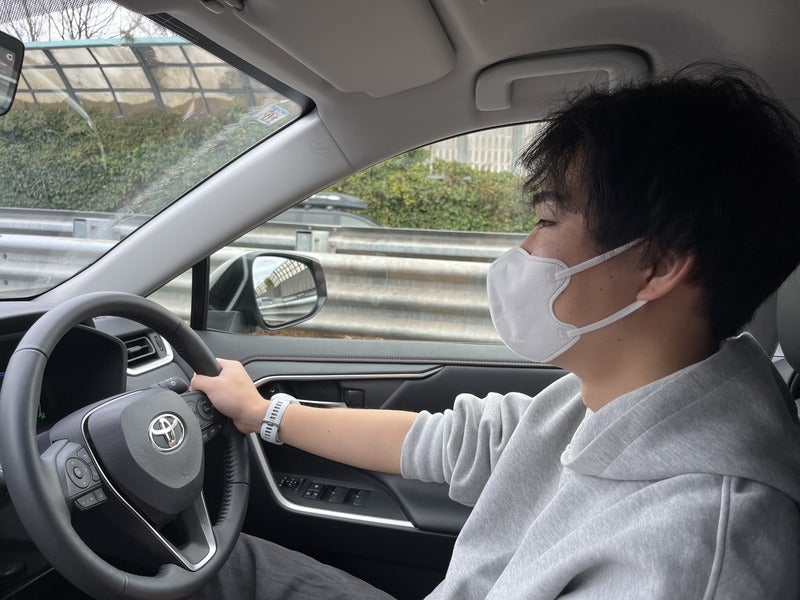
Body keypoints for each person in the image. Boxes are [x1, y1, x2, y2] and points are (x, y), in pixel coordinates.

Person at [189, 65, 800, 599]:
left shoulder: (695, 546)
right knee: (205, 560)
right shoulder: (606, 399)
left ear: (660, 265)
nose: (523, 250)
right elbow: (455, 440)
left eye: (547, 220)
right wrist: (263, 413)